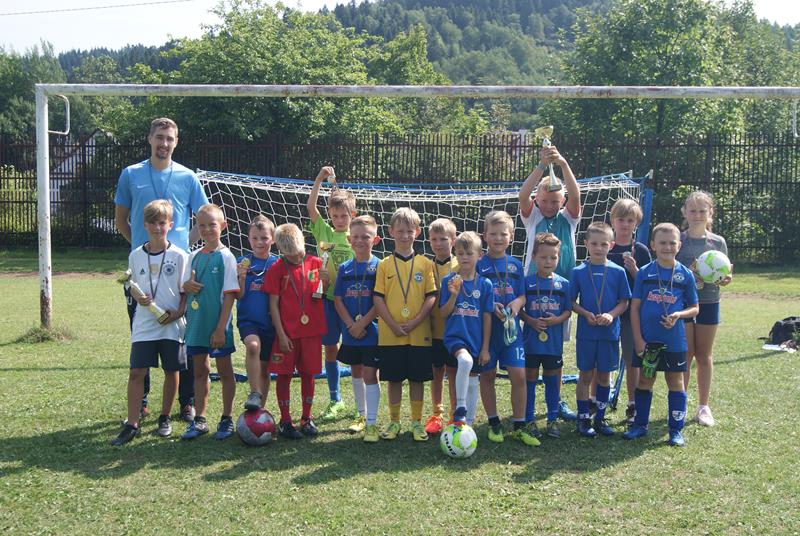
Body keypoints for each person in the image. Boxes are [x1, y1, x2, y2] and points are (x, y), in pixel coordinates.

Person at [114, 117, 207, 423]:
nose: (164, 143)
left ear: (176, 142)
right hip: (143, 273)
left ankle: (187, 401)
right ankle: (141, 402)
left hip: (179, 272)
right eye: (159, 137)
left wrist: (181, 247)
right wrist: (143, 250)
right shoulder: (130, 175)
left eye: (169, 138)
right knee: (143, 332)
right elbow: (121, 221)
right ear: (149, 138)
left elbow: (203, 220)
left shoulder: (187, 177)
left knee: (184, 335)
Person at [110, 200, 190, 445]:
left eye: (162, 223)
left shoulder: (179, 256)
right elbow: (131, 285)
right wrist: (136, 295)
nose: (158, 228)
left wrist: (177, 313)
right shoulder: (135, 256)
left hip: (171, 323)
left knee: (171, 370)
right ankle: (132, 423)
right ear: (144, 225)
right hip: (144, 323)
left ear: (170, 225)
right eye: (153, 223)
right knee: (136, 372)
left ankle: (164, 418)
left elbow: (185, 292)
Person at [518, 144, 582, 422]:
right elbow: (522, 194)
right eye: (544, 201)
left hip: (562, 290)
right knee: (534, 347)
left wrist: (564, 164)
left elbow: (576, 195)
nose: (549, 206)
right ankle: (530, 406)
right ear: (537, 200)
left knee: (557, 348)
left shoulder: (569, 219)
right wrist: (542, 167)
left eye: (555, 202)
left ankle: (556, 403)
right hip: (533, 292)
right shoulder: (532, 218)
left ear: (563, 202)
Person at [624, 223, 699, 447]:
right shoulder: (645, 273)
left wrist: (678, 314)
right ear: (653, 245)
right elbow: (635, 308)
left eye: (672, 243)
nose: (667, 247)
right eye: (663, 243)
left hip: (674, 340)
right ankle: (640, 425)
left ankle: (676, 430)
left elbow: (695, 308)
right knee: (646, 379)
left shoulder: (685, 275)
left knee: (675, 381)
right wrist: (638, 340)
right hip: (648, 340)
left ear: (679, 245)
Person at [372, 208, 437, 442]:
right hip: (391, 334)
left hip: (419, 332)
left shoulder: (425, 264)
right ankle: (394, 421)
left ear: (417, 232)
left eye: (409, 231)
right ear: (391, 232)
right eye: (400, 231)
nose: (405, 235)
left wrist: (416, 320)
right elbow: (377, 297)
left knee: (418, 378)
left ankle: (417, 423)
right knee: (394, 378)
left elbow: (431, 296)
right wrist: (391, 324)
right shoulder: (384, 265)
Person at [476, 210, 540, 446]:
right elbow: (474, 295)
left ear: (511, 236)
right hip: (487, 331)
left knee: (519, 375)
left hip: (511, 331)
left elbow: (523, 296)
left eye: (503, 234)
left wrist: (516, 303)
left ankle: (520, 424)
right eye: (493, 234)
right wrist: (490, 305)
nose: (498, 238)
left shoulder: (515, 264)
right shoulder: (478, 264)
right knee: (488, 375)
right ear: (485, 236)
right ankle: (494, 422)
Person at [180, 204, 239, 440]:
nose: (206, 229)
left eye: (212, 224)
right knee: (200, 371)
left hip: (218, 326)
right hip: (196, 325)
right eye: (201, 225)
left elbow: (230, 295)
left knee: (225, 371)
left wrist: (220, 328)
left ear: (222, 226)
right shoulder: (192, 256)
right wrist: (186, 286)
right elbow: (183, 286)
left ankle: (226, 418)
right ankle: (200, 419)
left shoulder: (226, 257)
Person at [264, 223, 327, 439]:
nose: (296, 256)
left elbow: (319, 295)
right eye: (290, 254)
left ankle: (306, 418)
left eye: (298, 251)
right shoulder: (276, 269)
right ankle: (285, 420)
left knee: (309, 374)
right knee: (284, 375)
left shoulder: (317, 263)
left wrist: (325, 285)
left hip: (311, 332)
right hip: (288, 334)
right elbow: (273, 304)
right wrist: (281, 335)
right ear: (281, 250)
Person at [570, 222, 631, 438]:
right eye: (594, 243)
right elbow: (571, 302)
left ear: (611, 245)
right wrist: (586, 314)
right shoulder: (578, 272)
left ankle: (600, 417)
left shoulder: (618, 271)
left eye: (603, 244)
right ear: (586, 244)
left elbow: (624, 302)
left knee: (604, 376)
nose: (598, 248)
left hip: (609, 333)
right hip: (587, 334)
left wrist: (610, 315)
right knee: (585, 375)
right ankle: (583, 417)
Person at [677, 191, 732, 427]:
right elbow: (670, 269)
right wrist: (688, 273)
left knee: (704, 355)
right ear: (685, 213)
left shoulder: (718, 242)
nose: (697, 215)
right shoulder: (678, 239)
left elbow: (726, 272)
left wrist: (726, 278)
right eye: (692, 210)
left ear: (710, 213)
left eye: (702, 210)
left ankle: (703, 407)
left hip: (710, 303)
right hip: (684, 305)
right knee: (686, 354)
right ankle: (681, 402)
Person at [306, 166, 356, 421]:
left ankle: (361, 404)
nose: (339, 219)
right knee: (330, 348)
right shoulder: (324, 232)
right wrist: (319, 180)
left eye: (343, 215)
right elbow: (310, 208)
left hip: (352, 304)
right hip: (326, 301)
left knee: (357, 350)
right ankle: (336, 399)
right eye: (335, 215)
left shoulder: (356, 236)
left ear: (352, 214)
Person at [333, 215, 381, 439]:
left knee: (371, 374)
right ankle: (360, 415)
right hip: (350, 331)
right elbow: (338, 299)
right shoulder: (344, 268)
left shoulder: (380, 266)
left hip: (372, 331)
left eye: (366, 236)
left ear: (376, 239)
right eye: (356, 237)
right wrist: (351, 324)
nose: (360, 241)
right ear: (349, 239)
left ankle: (372, 421)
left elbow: (381, 301)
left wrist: (363, 322)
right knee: (356, 370)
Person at [520, 232, 572, 440]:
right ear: (534, 257)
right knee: (530, 379)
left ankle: (552, 419)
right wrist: (531, 321)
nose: (548, 261)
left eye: (553, 257)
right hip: (531, 342)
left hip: (553, 344)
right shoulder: (527, 282)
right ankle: (529, 418)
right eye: (543, 257)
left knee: (552, 379)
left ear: (558, 258)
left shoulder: (564, 284)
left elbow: (568, 311)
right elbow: (521, 309)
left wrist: (556, 320)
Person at [439, 231, 492, 426]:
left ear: (479, 255)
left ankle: (467, 424)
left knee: (472, 380)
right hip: (455, 338)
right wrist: (453, 295)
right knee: (465, 360)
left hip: (476, 340)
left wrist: (485, 347)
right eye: (460, 253)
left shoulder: (485, 285)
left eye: (469, 253)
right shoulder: (449, 281)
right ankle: (459, 409)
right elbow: (443, 313)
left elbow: (487, 317)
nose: (464, 257)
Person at [606, 198, 652, 425]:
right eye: (621, 219)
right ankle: (599, 402)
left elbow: (648, 286)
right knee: (603, 360)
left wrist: (635, 270)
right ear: (613, 221)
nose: (625, 224)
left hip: (632, 315)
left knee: (633, 359)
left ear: (637, 224)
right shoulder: (604, 245)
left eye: (630, 220)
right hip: (607, 313)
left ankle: (633, 403)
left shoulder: (641, 251)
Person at [236, 215, 279, 412]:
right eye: (255, 238)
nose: (259, 242)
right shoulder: (243, 262)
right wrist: (241, 279)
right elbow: (239, 295)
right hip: (249, 321)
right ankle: (254, 392)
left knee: (265, 369)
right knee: (253, 346)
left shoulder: (278, 264)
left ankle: (259, 411)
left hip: (271, 324)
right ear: (248, 238)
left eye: (264, 238)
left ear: (273, 239)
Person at [425, 218, 459, 434]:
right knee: (436, 372)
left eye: (443, 239)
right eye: (434, 239)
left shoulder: (460, 264)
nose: (439, 244)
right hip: (433, 331)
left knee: (454, 373)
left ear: (453, 240)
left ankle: (456, 415)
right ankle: (437, 414)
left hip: (455, 332)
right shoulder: (426, 266)